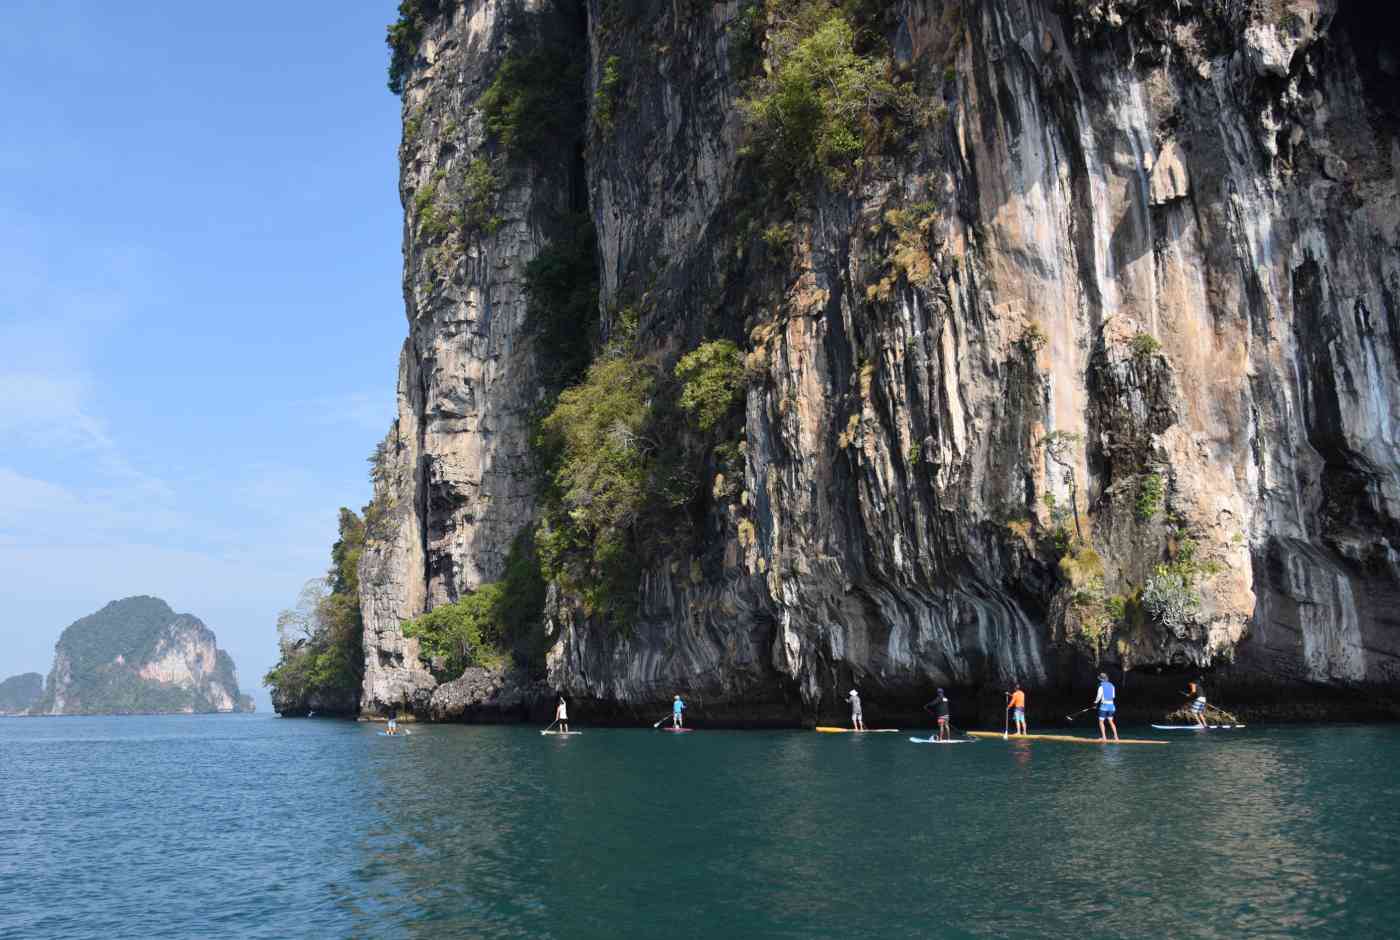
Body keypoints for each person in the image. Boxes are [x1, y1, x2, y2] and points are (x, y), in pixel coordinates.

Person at [1094, 673, 1119, 742]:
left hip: (1104, 706)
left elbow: (1099, 696)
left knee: (1101, 721)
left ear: (1101, 679)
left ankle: (1104, 737)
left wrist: (1095, 703)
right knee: (1111, 721)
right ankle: (1116, 737)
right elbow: (1113, 696)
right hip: (1112, 706)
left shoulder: (1101, 686)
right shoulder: (1112, 685)